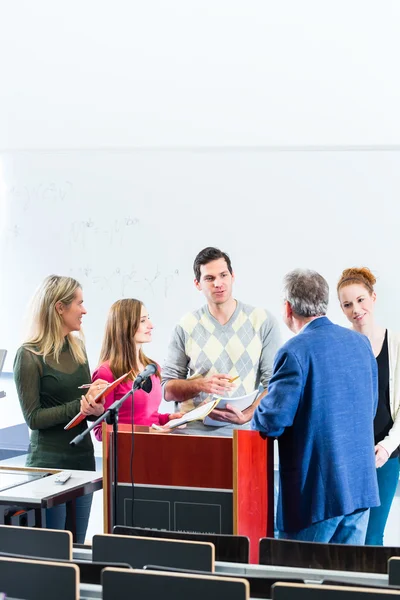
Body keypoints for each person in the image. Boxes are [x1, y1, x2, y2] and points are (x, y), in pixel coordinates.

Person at [252, 269, 379, 544]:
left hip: (316, 497)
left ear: (288, 308)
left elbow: (272, 421)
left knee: (296, 581)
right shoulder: (360, 343)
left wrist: (255, 410)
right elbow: (369, 409)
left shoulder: (294, 351)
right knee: (346, 582)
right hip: (359, 488)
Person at [13, 275, 108, 542]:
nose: (84, 310)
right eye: (79, 303)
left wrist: (96, 405)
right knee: (54, 552)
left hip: (82, 464)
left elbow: (83, 409)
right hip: (49, 469)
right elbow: (33, 418)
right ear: (59, 308)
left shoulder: (77, 348)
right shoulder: (29, 355)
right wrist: (79, 405)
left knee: (77, 547)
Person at [162, 247, 281, 428]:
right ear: (197, 284)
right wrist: (201, 385)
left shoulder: (262, 321)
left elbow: (274, 383)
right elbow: (167, 390)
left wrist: (248, 415)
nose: (218, 283)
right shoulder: (186, 325)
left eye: (223, 275)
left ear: (233, 277)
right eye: (209, 278)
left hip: (243, 435)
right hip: (193, 434)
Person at [337, 267, 400, 545]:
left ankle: (372, 590)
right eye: (347, 304)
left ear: (373, 298)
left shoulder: (396, 342)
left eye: (361, 300)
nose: (356, 309)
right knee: (348, 535)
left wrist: (387, 446)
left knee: (373, 535)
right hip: (349, 456)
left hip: (386, 453)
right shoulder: (340, 344)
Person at [93, 299, 181, 440]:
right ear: (124, 326)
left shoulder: (153, 368)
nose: (151, 325)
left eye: (148, 319)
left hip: (153, 450)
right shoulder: (106, 372)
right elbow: (100, 431)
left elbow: (145, 417)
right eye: (142, 321)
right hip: (125, 456)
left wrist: (168, 419)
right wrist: (145, 432)